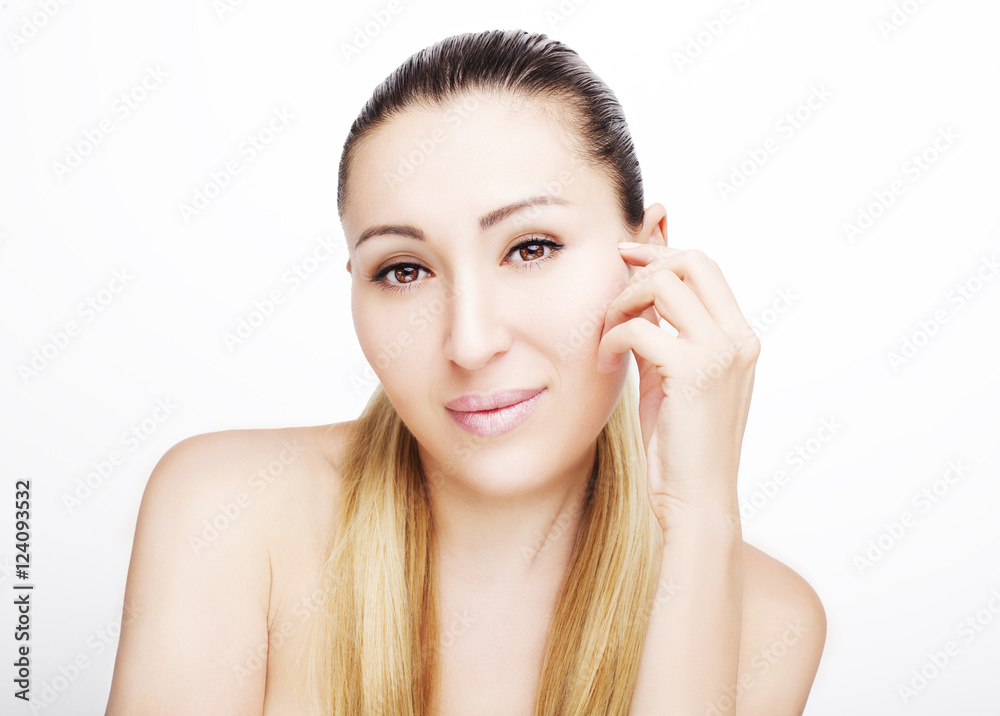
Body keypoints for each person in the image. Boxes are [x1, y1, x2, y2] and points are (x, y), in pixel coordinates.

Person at [105, 29, 825, 715]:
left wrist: (698, 522)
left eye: (532, 248)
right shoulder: (227, 513)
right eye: (404, 269)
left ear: (648, 256)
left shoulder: (766, 619)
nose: (471, 342)